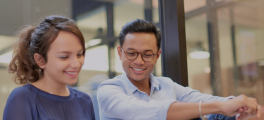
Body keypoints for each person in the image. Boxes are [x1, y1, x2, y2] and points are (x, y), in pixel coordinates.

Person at [97, 19, 262, 120]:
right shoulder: (109, 90)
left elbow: (202, 98)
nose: (139, 61)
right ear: (120, 52)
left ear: (157, 55)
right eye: (131, 53)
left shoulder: (167, 85)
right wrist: (220, 106)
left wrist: (241, 105)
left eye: (147, 54)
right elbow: (149, 112)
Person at [3, 15, 95, 120]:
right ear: (40, 60)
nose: (76, 64)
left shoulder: (85, 101)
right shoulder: (23, 98)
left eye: (80, 54)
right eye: (64, 57)